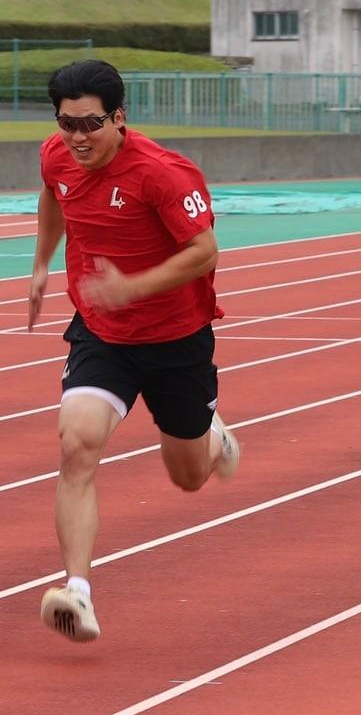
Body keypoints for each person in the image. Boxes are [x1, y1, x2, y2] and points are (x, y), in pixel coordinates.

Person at [27, 59, 241, 643]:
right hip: (102, 333)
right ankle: (77, 590)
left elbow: (205, 252)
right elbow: (53, 194)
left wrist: (134, 287)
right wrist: (44, 261)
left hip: (176, 338)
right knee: (76, 445)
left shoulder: (163, 174)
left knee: (190, 477)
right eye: (67, 124)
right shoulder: (57, 155)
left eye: (91, 124)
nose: (78, 138)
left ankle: (213, 435)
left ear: (120, 118)